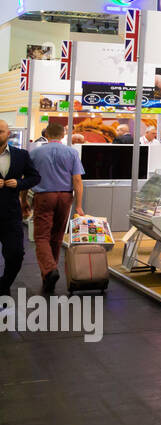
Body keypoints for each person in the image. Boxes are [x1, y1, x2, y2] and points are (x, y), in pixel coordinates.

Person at [29, 122, 85, 295]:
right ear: (63, 135)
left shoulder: (35, 152)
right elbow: (77, 181)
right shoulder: (72, 152)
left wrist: (23, 200)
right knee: (57, 236)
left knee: (41, 236)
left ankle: (50, 270)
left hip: (44, 196)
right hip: (65, 197)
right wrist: (80, 206)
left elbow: (28, 178)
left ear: (46, 134)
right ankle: (49, 277)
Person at [0, 120, 40, 299]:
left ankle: (4, 284)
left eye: (0, 131)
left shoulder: (21, 155)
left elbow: (35, 177)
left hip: (10, 215)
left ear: (8, 134)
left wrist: (20, 183)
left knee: (16, 254)